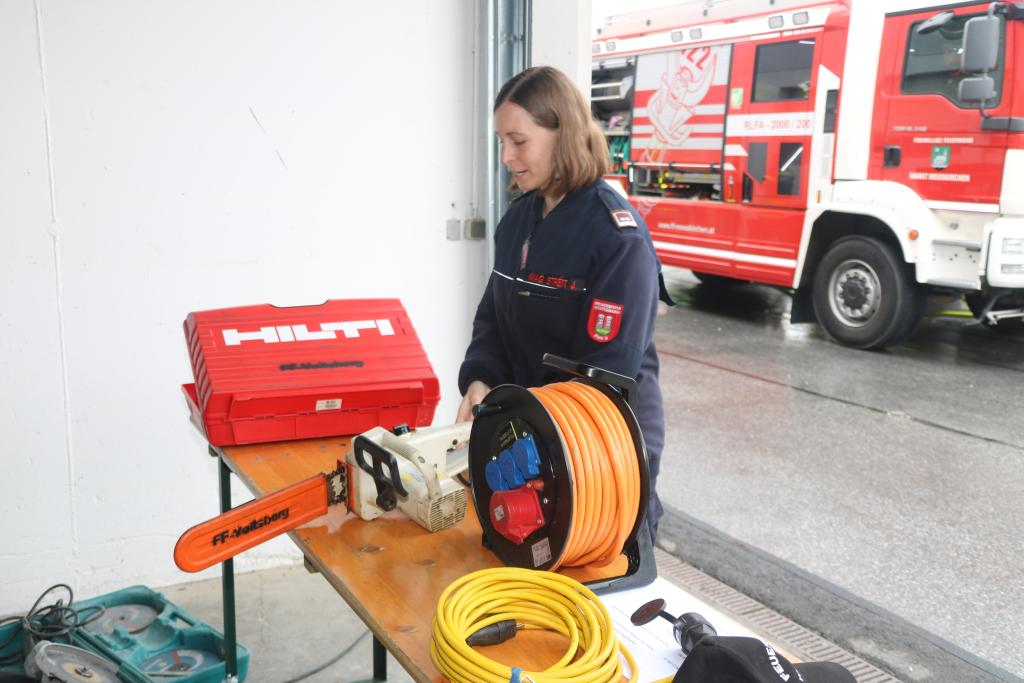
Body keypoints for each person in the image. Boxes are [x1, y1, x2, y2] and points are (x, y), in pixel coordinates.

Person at [456, 65, 673, 535]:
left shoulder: (617, 239)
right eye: (501, 141)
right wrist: (480, 379)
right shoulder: (518, 220)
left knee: (594, 575)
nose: (506, 156)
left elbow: (605, 375)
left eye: (519, 141)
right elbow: (493, 316)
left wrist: (534, 436)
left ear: (565, 134)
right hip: (530, 439)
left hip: (600, 458)